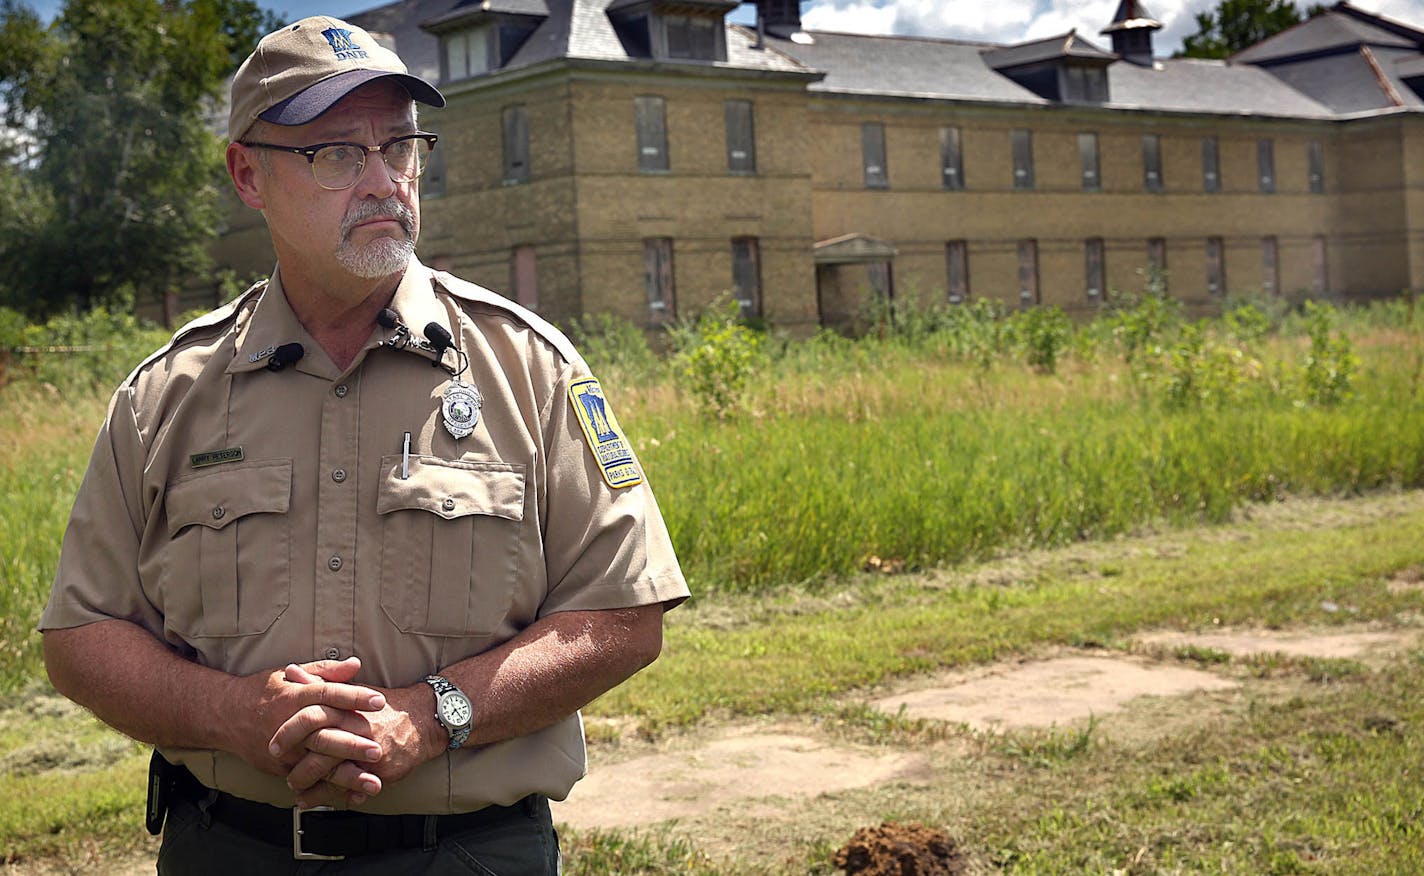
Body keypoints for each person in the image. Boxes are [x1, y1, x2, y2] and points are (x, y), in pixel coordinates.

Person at [38, 15, 688, 874]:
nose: (385, 181)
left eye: (401, 147)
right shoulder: (167, 395)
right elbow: (83, 632)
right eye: (339, 153)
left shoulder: (529, 368)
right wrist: (230, 714)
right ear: (248, 174)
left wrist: (432, 714)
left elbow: (625, 614)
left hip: (464, 855)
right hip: (227, 849)